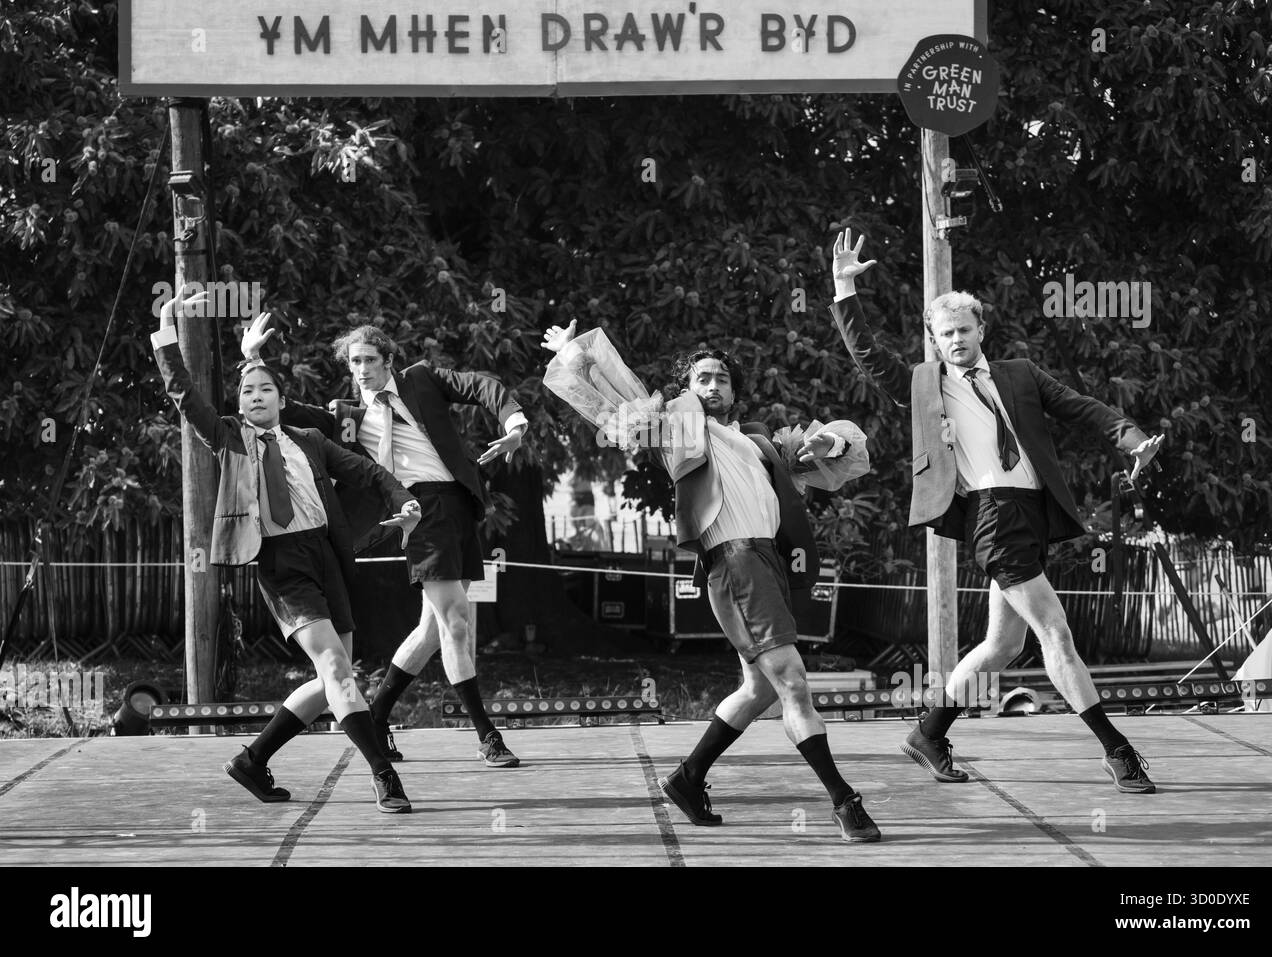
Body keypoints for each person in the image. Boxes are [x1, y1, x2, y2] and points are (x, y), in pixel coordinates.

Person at [828, 228, 1166, 793]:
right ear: (933, 342)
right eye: (945, 334)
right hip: (991, 517)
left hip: (1031, 513)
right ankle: (1118, 750)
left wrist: (1131, 440)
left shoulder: (1019, 373)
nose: (956, 339)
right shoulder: (923, 384)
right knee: (1056, 634)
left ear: (981, 331)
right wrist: (843, 286)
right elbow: (867, 354)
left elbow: (1080, 408)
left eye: (964, 329)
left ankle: (928, 733)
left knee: (1004, 646)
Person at [542, 318, 881, 843]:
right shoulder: (678, 427)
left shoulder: (762, 445)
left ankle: (687, 777)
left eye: (722, 378)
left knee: (759, 689)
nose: (712, 385)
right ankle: (844, 799)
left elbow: (845, 458)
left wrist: (829, 442)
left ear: (735, 391)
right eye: (702, 378)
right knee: (792, 680)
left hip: (770, 563)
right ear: (686, 389)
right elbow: (620, 403)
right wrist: (576, 356)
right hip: (736, 561)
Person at [152, 292, 421, 813]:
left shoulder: (310, 439)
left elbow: (367, 471)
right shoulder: (228, 437)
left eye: (264, 388)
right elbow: (184, 395)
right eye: (246, 389)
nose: (254, 396)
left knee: (329, 681)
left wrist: (405, 501)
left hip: (326, 558)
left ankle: (252, 760)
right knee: (338, 670)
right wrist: (167, 328)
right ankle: (384, 775)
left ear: (280, 397)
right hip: (281, 564)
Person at [240, 314, 527, 768]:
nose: (361, 369)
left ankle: (376, 717)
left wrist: (515, 424)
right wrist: (253, 358)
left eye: (370, 359)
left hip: (458, 506)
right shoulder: (345, 418)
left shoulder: (421, 379)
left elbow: (480, 385)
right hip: (418, 513)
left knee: (431, 630)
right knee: (456, 620)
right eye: (354, 361)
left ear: (389, 360)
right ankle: (486, 734)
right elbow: (278, 406)